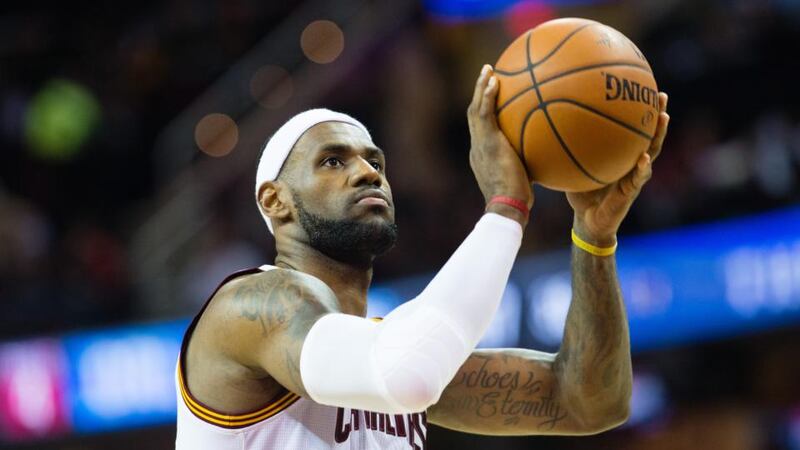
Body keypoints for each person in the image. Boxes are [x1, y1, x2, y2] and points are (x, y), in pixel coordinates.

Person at [174, 64, 670, 449]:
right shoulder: (251, 305)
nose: (367, 172)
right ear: (274, 200)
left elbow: (589, 402)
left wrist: (593, 239)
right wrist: (506, 208)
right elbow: (406, 374)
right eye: (333, 160)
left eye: (375, 161)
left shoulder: (387, 350)